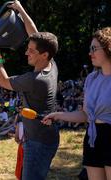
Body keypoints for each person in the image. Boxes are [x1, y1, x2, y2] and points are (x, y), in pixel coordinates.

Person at [0, 1, 59, 179]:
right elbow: (35, 33)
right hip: (42, 137)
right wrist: (20, 9)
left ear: (44, 55)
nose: (27, 53)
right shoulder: (52, 64)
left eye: (31, 51)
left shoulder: (35, 80)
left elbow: (4, 81)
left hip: (38, 143)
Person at [42, 27, 111, 180]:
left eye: (94, 48)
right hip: (93, 138)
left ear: (108, 48)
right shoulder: (92, 79)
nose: (90, 53)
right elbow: (86, 115)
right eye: (90, 48)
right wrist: (58, 115)